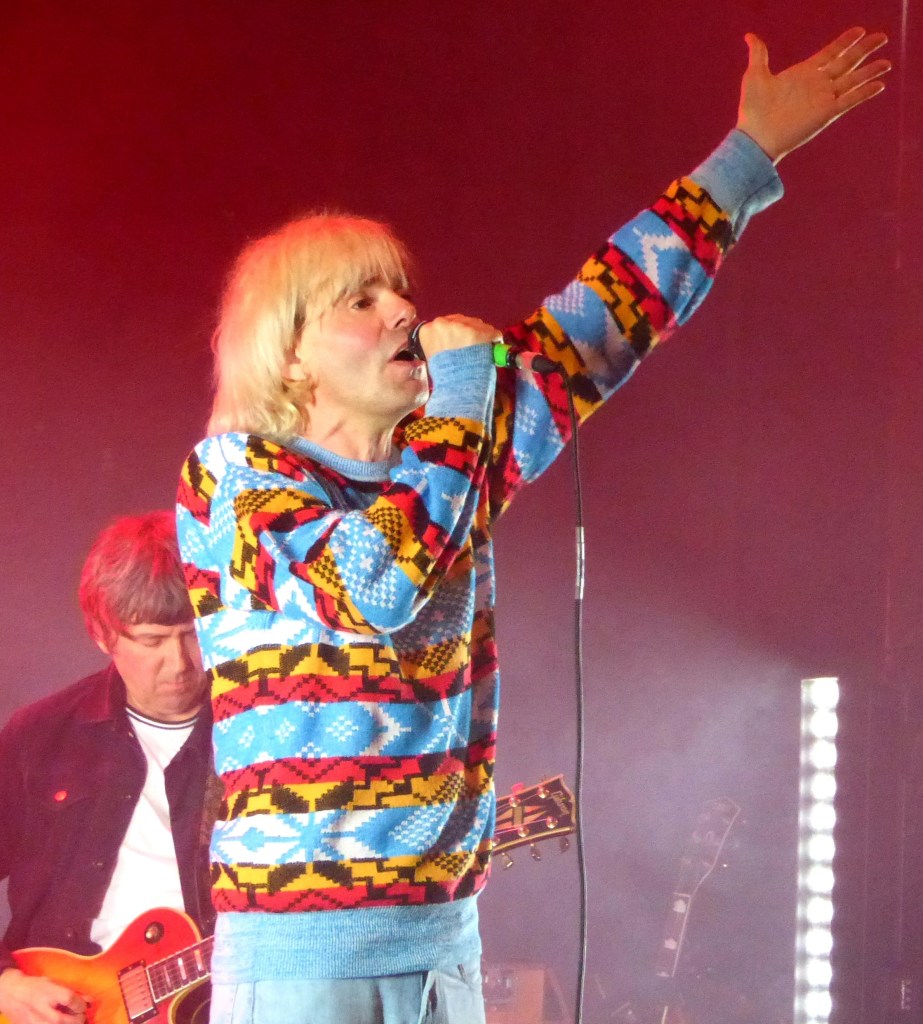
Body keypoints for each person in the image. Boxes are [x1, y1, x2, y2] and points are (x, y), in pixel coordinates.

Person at [176, 28, 890, 1024]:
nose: (403, 310)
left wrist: (746, 157)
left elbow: (594, 326)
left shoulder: (451, 447)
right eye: (361, 300)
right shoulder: (236, 479)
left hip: (443, 946)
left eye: (399, 289)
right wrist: (460, 398)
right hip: (302, 967)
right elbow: (373, 585)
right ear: (288, 356)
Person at [0, 512, 214, 1024]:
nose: (181, 663)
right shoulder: (40, 735)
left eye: (193, 633)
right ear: (102, 634)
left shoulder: (261, 733)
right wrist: (4, 983)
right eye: (152, 640)